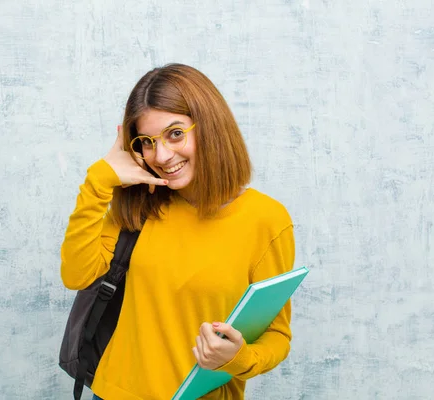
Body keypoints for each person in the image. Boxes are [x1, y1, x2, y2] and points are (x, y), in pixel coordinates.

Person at [60, 63, 295, 400]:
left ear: (210, 126)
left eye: (175, 133)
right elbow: (76, 275)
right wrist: (99, 181)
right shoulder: (140, 204)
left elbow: (276, 336)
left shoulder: (266, 219)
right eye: (146, 142)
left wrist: (238, 357)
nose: (162, 156)